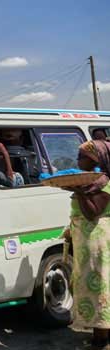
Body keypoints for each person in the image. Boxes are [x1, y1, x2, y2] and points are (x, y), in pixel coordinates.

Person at [64, 140, 110, 350]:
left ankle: (101, 340)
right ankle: (99, 335)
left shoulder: (104, 183)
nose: (78, 161)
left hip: (98, 242)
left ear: (96, 159)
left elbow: (93, 213)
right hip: (87, 242)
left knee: (99, 288)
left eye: (82, 157)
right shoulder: (91, 181)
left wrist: (79, 191)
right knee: (89, 288)